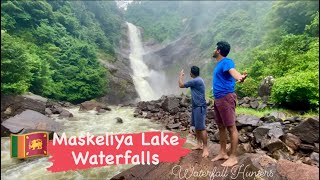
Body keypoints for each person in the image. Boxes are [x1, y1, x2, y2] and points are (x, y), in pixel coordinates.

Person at [211, 41, 247, 167]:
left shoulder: (226, 61)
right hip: (219, 99)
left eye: (215, 48)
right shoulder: (219, 64)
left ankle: (233, 157)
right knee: (221, 126)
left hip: (226, 98)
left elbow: (233, 71)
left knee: (231, 127)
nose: (214, 50)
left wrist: (239, 77)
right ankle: (222, 152)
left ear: (219, 50)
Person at [179, 66, 209, 158]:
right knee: (196, 126)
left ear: (191, 73)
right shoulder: (198, 80)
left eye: (190, 72)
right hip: (196, 106)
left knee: (202, 128)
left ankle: (205, 149)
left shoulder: (195, 81)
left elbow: (181, 85)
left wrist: (181, 76)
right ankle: (199, 144)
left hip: (199, 107)